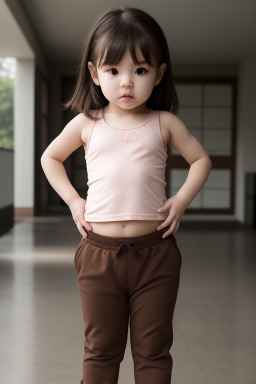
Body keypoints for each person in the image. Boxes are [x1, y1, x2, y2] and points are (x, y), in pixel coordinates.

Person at [41, 6, 212, 384]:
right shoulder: (87, 123)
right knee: (101, 350)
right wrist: (73, 200)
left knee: (153, 352)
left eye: (140, 70)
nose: (126, 83)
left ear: (159, 73)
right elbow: (50, 157)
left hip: (156, 253)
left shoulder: (163, 122)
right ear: (94, 72)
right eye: (113, 71)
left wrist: (180, 200)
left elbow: (200, 159)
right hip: (98, 254)